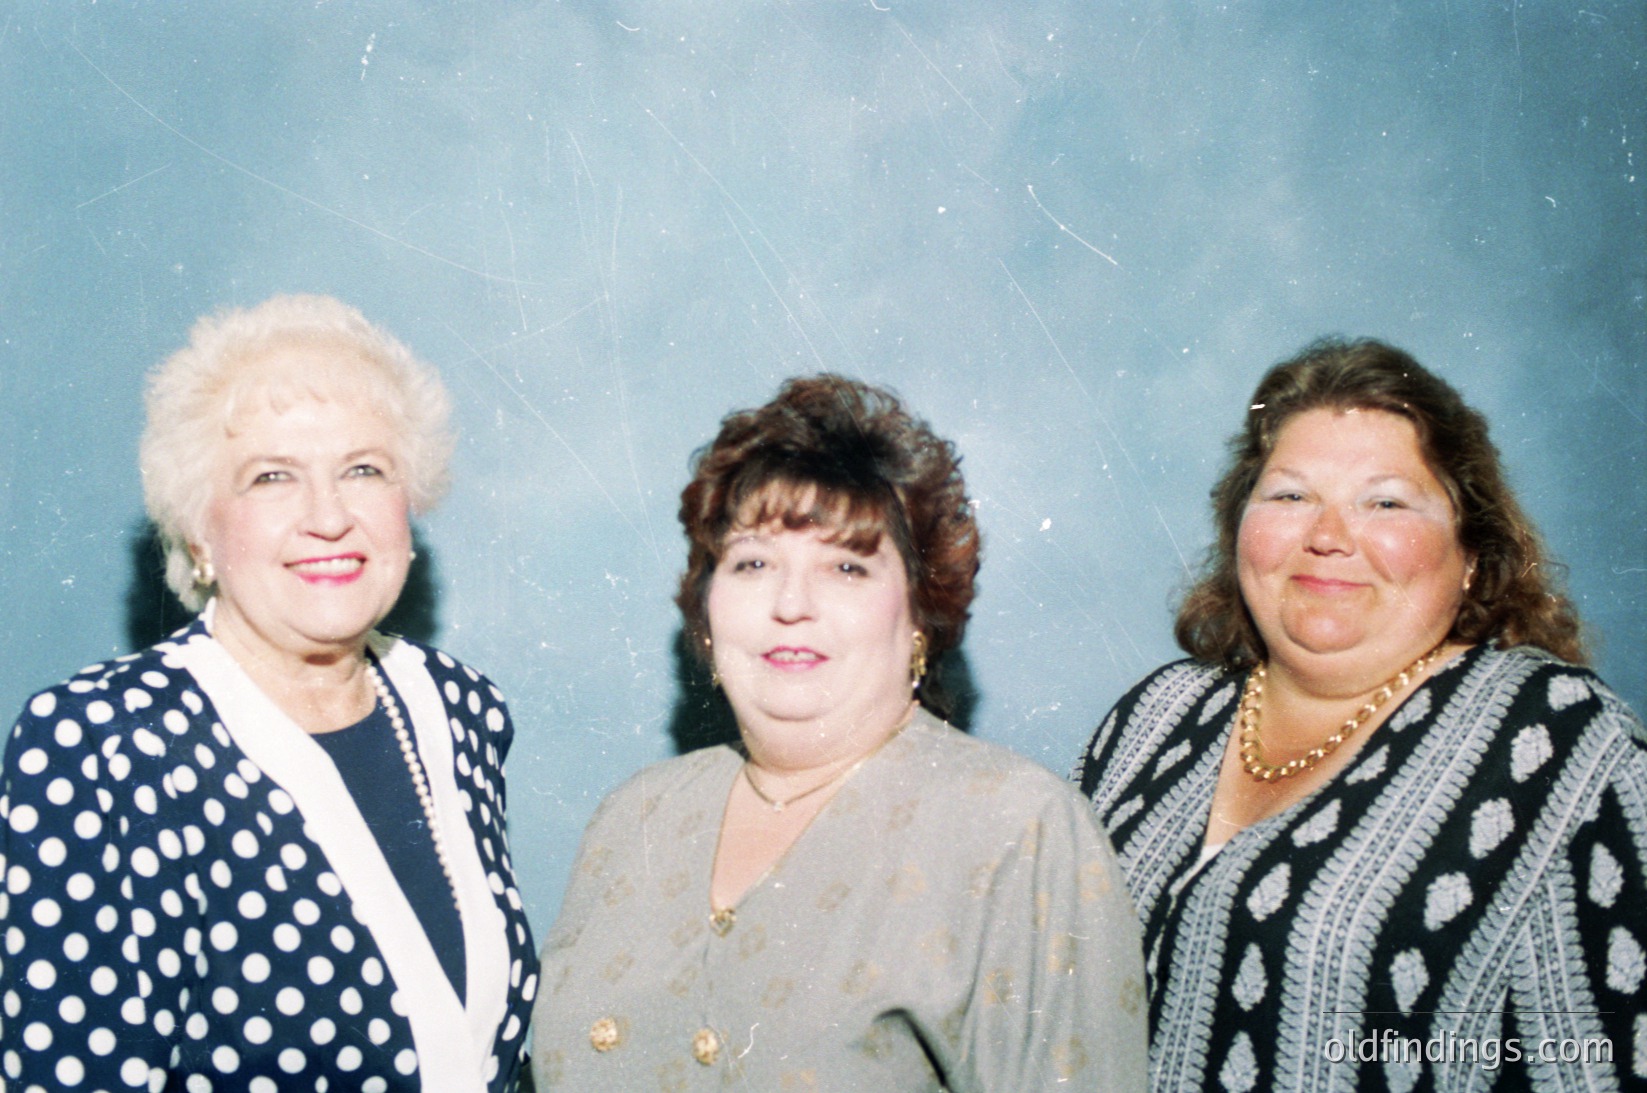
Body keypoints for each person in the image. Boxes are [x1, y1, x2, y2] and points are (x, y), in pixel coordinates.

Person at [532, 375, 1146, 1090]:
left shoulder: (1018, 830)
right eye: (753, 562)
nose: (791, 602)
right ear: (706, 609)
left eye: (846, 566)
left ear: (919, 612)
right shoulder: (632, 815)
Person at [1074, 337, 1646, 1091]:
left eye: (1384, 502)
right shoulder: (1155, 714)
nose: (1326, 536)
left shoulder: (1559, 740)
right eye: (1289, 494)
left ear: (1471, 552)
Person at [0, 295, 537, 1091]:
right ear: (199, 532)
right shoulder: (99, 744)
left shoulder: (458, 707)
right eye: (271, 476)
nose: (328, 516)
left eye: (363, 468)